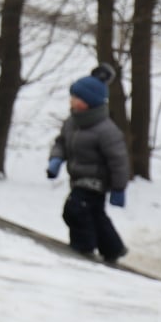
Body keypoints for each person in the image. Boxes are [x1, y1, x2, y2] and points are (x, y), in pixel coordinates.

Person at [48, 64, 130, 264]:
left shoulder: (106, 130)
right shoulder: (72, 123)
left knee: (76, 209)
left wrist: (119, 188)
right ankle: (113, 249)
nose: (72, 101)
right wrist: (56, 160)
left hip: (96, 180)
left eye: (77, 98)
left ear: (90, 102)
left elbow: (118, 160)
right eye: (72, 96)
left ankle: (83, 247)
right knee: (95, 215)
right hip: (78, 177)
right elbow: (61, 142)